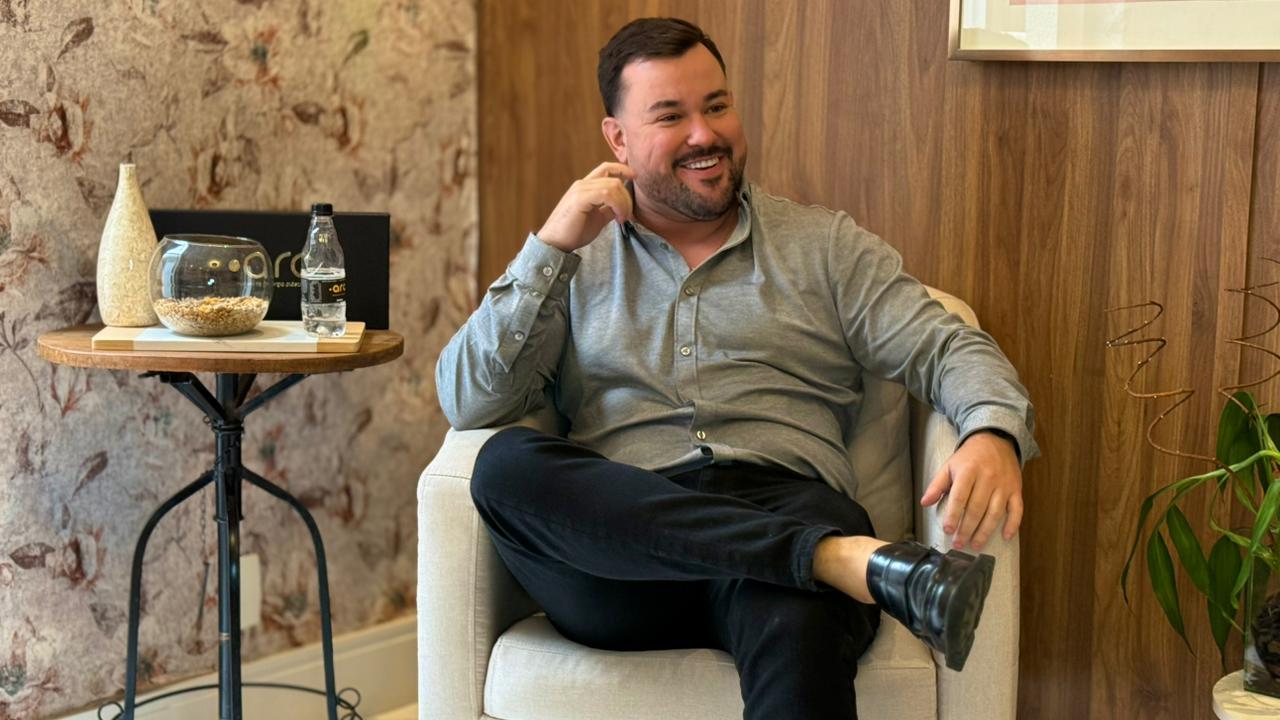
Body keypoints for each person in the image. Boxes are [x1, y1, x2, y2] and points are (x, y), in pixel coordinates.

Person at [437, 16, 1038, 720]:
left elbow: (948, 345)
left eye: (717, 106)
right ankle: (836, 559)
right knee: (504, 468)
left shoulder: (823, 247)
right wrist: (550, 246)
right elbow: (470, 400)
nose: (704, 134)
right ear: (617, 140)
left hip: (786, 511)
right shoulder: (575, 262)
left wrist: (991, 430)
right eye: (671, 116)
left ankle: (813, 556)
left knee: (799, 618)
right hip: (623, 557)